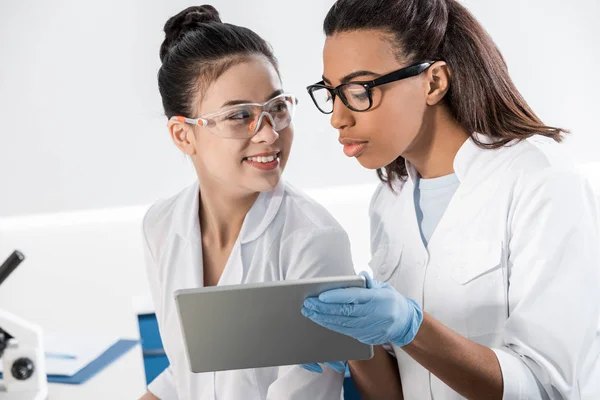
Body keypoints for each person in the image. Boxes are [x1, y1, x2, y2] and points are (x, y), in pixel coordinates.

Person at [300, 0, 600, 399]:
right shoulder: (389, 201)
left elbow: (552, 387)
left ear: (433, 82)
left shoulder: (538, 179)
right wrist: (355, 345)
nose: (338, 117)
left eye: (359, 90)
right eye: (331, 92)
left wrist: (413, 327)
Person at [140, 5, 356, 400]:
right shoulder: (160, 224)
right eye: (240, 115)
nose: (268, 133)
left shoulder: (313, 240)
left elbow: (304, 393)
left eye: (276, 108)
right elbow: (188, 367)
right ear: (183, 135)